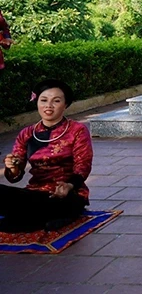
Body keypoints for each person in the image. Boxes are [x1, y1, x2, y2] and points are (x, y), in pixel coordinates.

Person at [0, 79, 93, 232]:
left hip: (68, 194)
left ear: (66, 105)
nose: (48, 106)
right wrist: (12, 167)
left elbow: (83, 165)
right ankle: (36, 217)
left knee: (21, 216)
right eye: (43, 100)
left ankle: (40, 217)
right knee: (24, 202)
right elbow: (15, 176)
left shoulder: (77, 130)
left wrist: (69, 186)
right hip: (35, 193)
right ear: (37, 102)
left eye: (56, 101)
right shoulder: (27, 133)